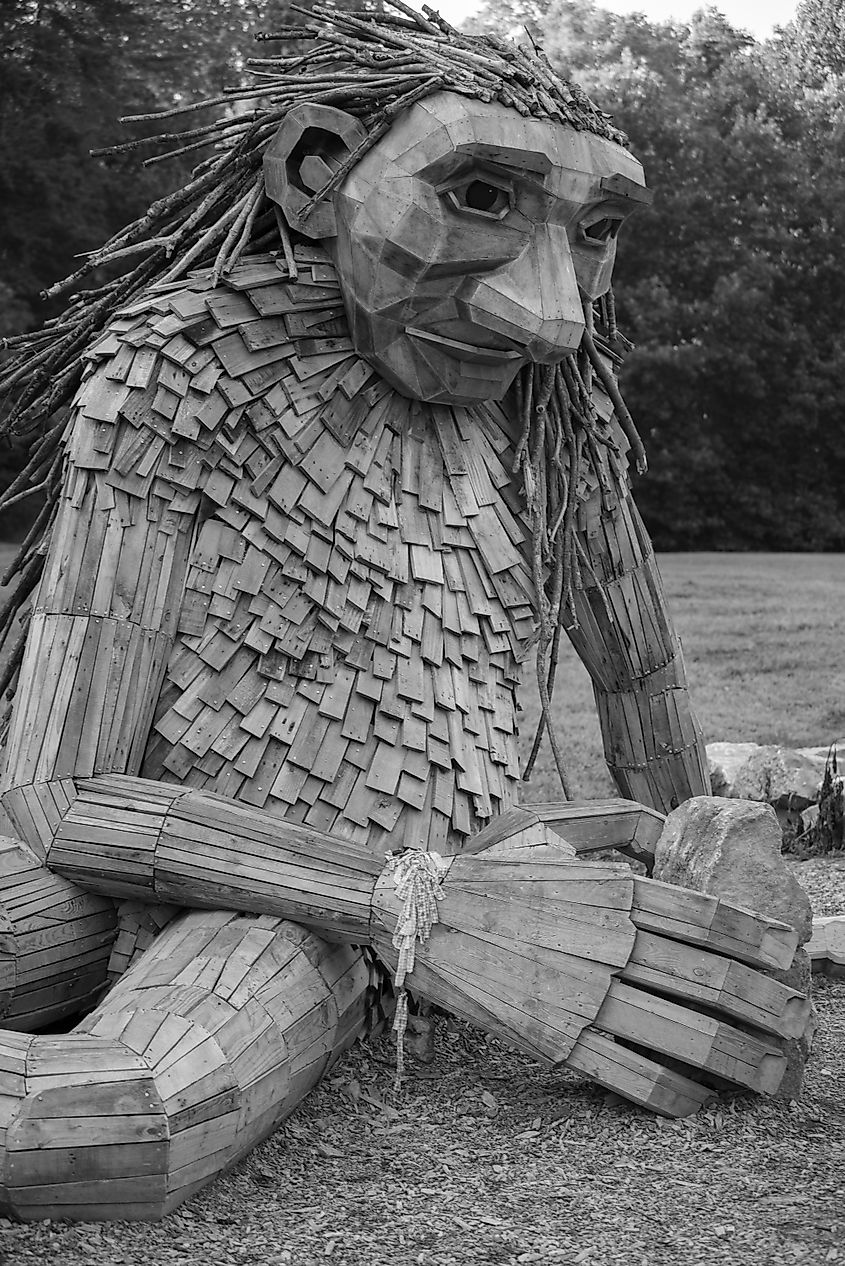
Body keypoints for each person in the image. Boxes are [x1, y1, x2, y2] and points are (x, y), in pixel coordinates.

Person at [0, 4, 798, 1222]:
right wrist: (408, 902)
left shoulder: (555, 425)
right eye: (477, 193)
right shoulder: (184, 363)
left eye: (592, 233)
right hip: (212, 853)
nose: (550, 314)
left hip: (294, 918)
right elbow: (59, 795)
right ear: (319, 170)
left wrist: (698, 879)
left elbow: (640, 689)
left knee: (122, 1115)